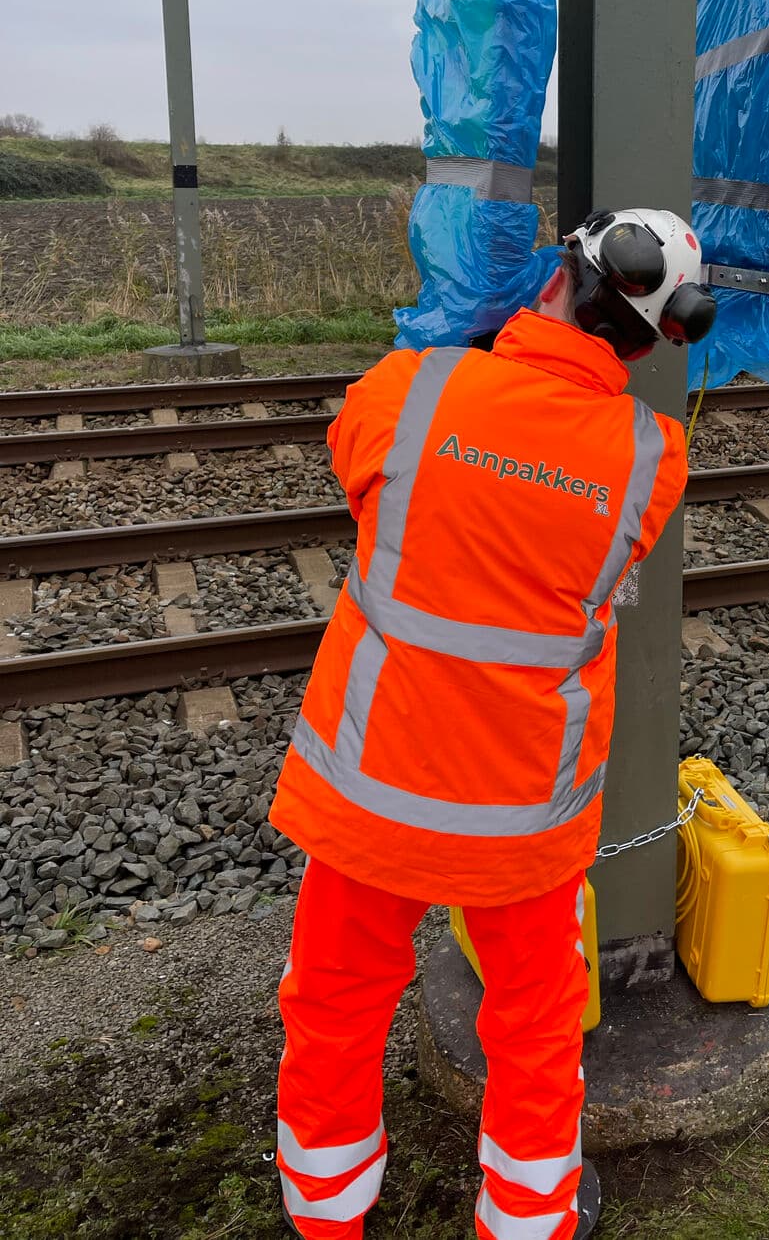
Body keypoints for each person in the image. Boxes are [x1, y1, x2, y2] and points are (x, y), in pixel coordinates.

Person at [269, 209, 717, 1240]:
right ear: (655, 336)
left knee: (334, 1005)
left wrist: (470, 373)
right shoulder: (652, 458)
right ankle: (525, 1220)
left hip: (368, 788)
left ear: (558, 274)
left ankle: (327, 1212)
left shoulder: (407, 389)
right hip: (518, 816)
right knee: (535, 1027)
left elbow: (359, 470)